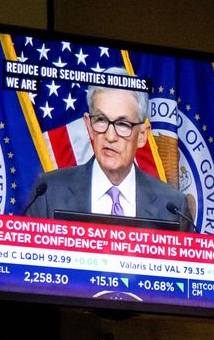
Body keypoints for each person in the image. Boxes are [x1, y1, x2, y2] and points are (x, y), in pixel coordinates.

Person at [23, 69, 191, 231]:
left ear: (142, 135)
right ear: (89, 126)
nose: (110, 136)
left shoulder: (172, 206)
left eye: (123, 124)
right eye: (101, 120)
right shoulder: (49, 193)